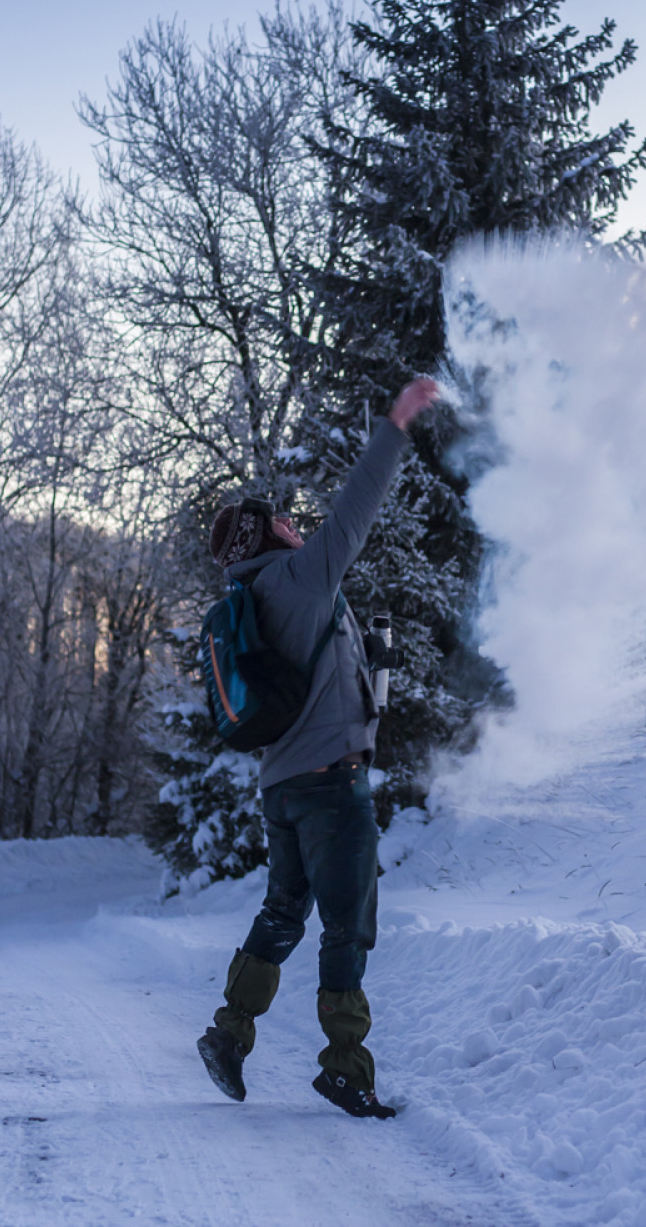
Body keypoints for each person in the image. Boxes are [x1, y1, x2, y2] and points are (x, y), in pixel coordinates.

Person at [196, 377, 439, 1119]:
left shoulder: (254, 600)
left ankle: (230, 1034)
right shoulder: (300, 578)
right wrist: (395, 427)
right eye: (287, 522)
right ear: (270, 538)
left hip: (282, 787)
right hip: (333, 788)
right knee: (347, 924)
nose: (302, 525)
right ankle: (345, 1067)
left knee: (282, 912)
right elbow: (356, 511)